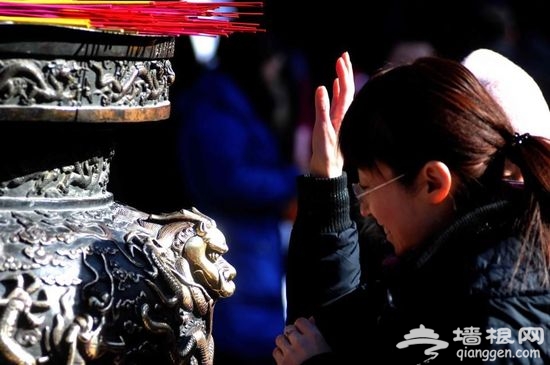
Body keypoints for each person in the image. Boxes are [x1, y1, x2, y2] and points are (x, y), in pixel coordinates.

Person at [273, 51, 550, 364]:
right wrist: (328, 187)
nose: (364, 209)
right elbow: (322, 333)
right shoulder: (439, 272)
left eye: (367, 187)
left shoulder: (494, 319)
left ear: (432, 182)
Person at [173, 32, 300, 365]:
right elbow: (226, 179)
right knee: (241, 341)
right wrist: (292, 181)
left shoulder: (233, 101)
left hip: (252, 242)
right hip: (234, 240)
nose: (275, 71)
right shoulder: (216, 106)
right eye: (271, 63)